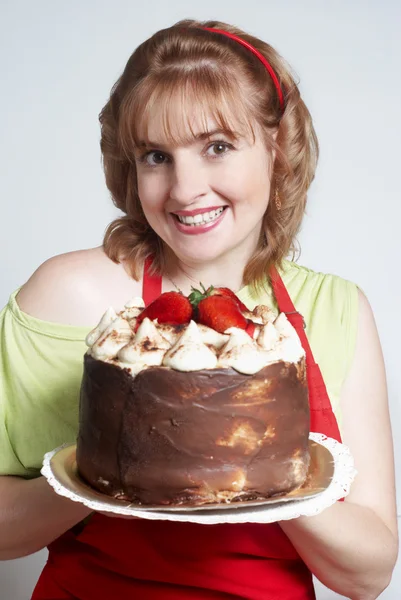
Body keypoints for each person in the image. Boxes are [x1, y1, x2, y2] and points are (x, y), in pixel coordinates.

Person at [0, 18, 398, 600]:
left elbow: (368, 575)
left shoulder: (335, 309)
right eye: (156, 156)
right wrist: (103, 467)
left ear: (278, 147)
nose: (185, 190)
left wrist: (264, 469)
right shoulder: (71, 295)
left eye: (217, 147)